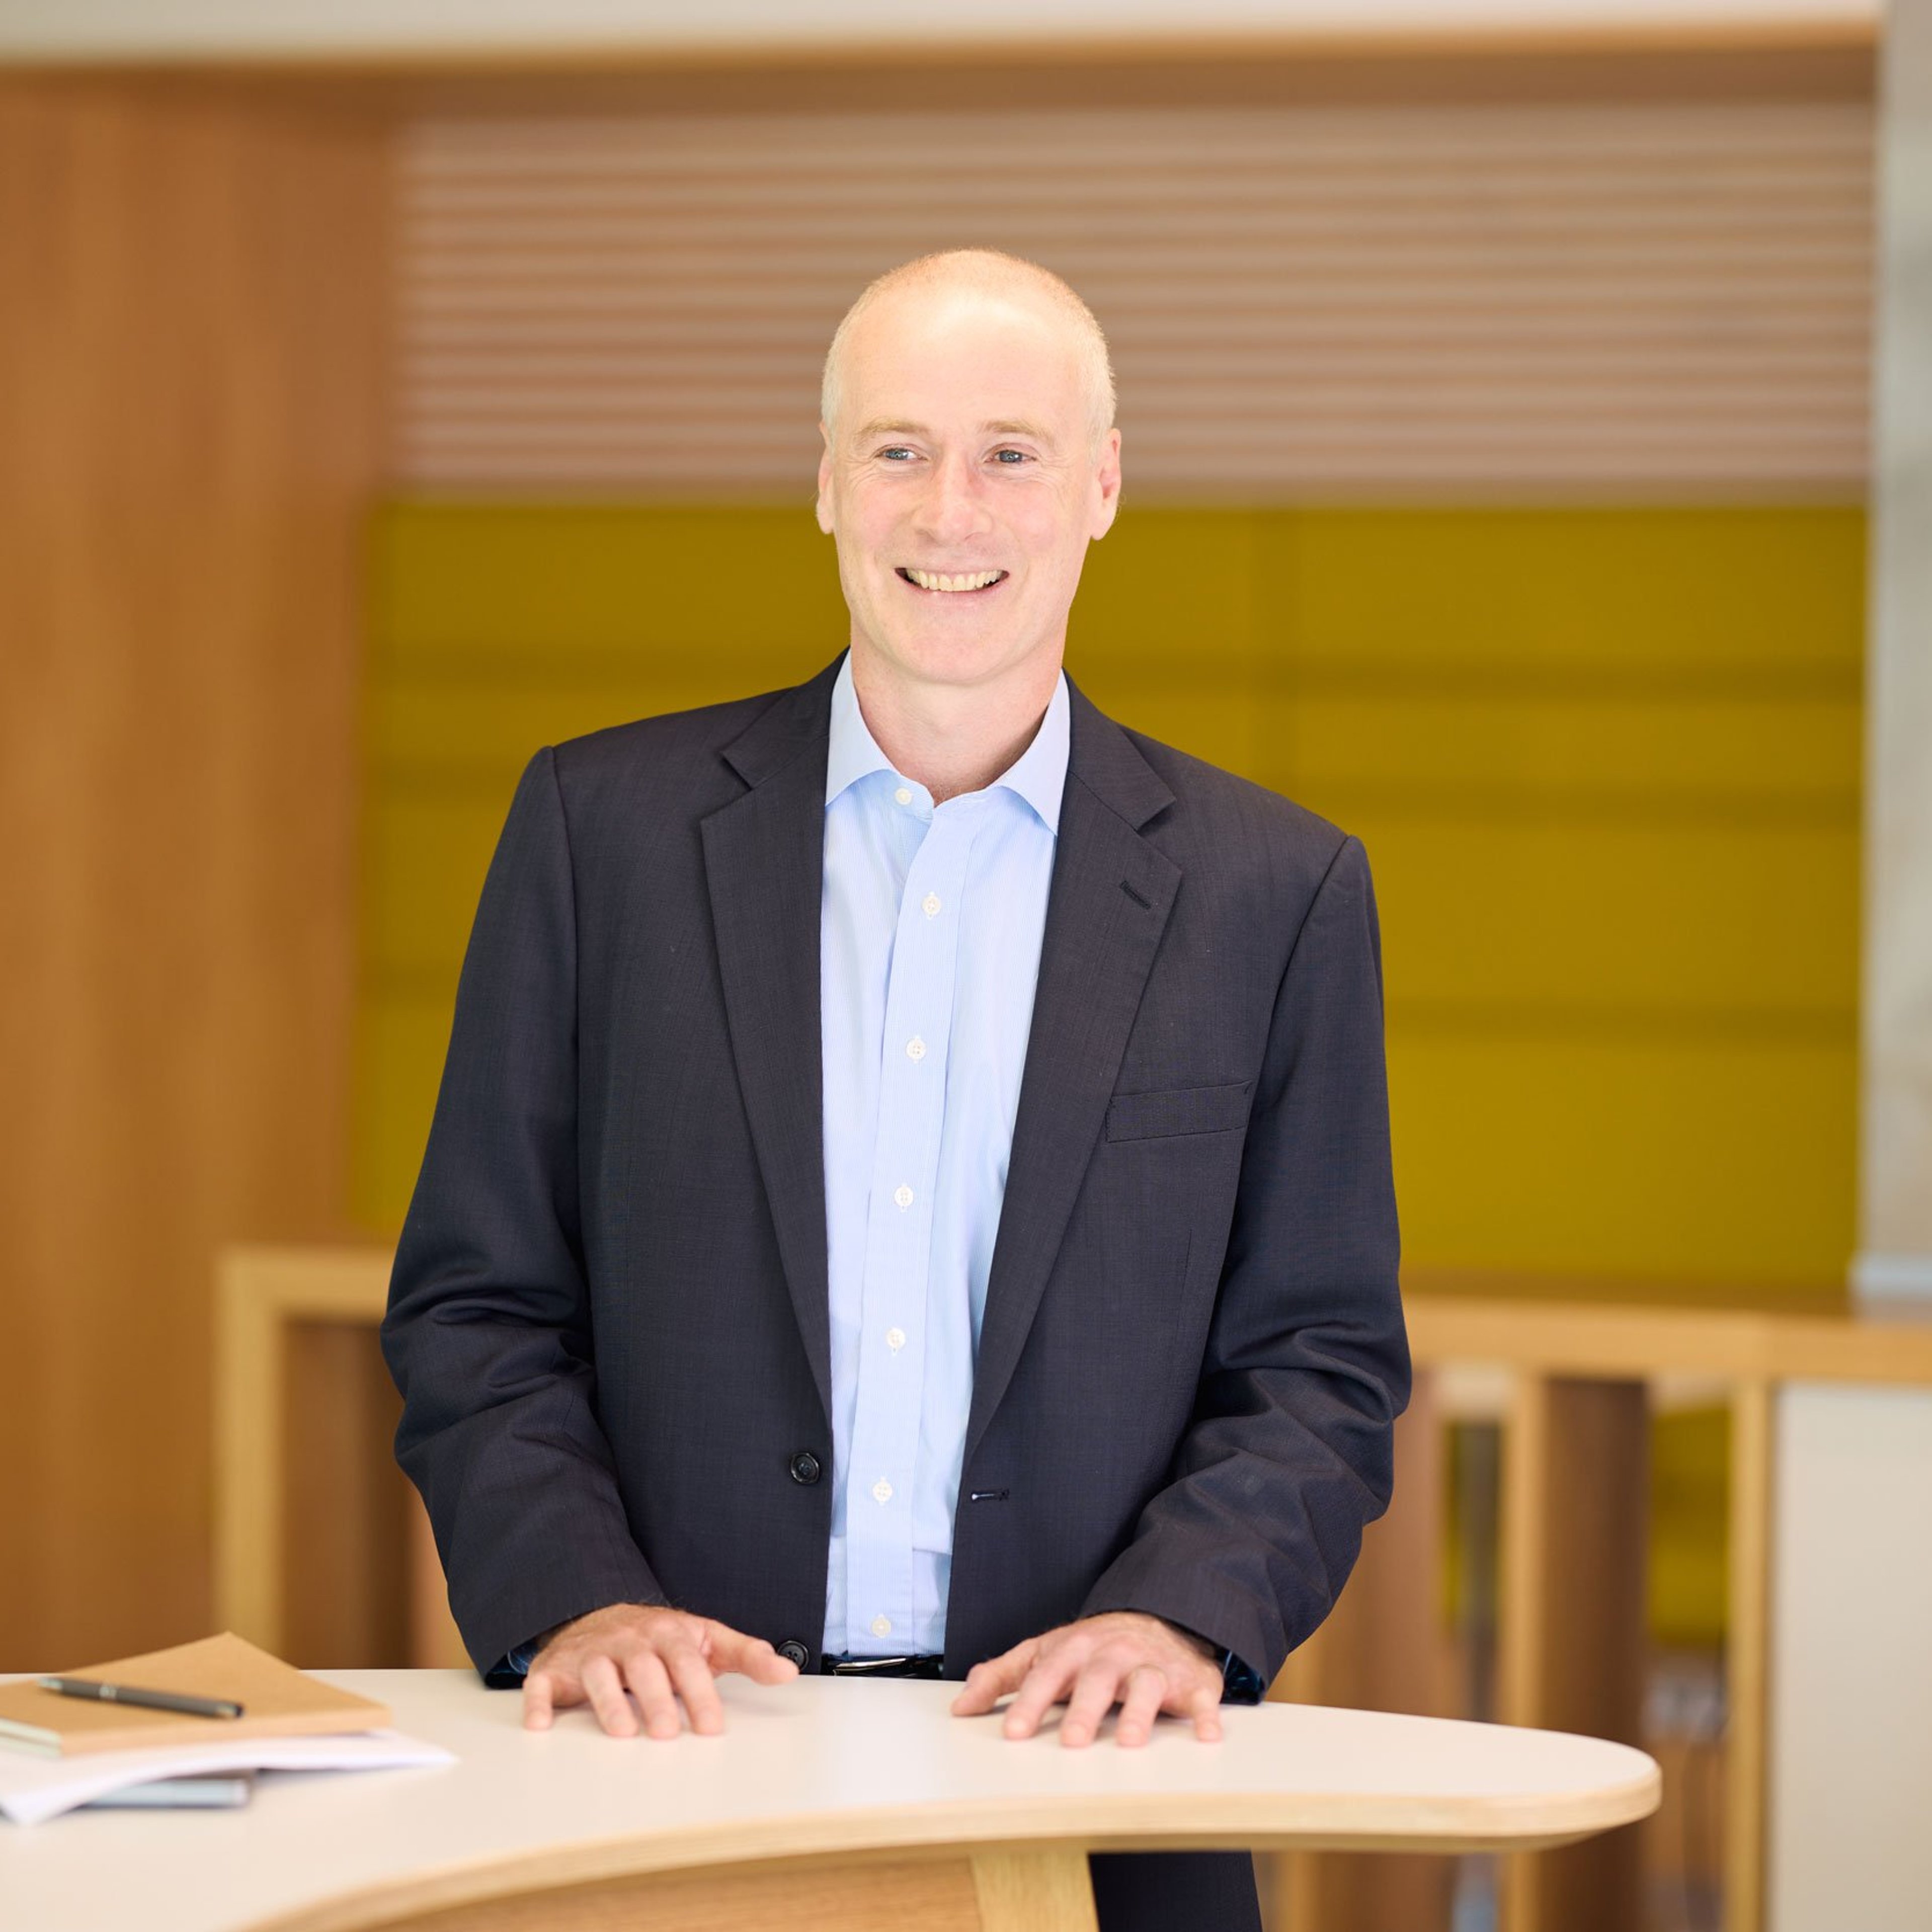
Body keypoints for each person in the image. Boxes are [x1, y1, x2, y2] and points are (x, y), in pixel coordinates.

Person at [381, 248, 1409, 1932]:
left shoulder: (1272, 890)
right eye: (898, 448)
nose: (952, 509)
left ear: (1102, 485)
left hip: (1095, 1783)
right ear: (824, 481)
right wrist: (576, 1602)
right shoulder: (602, 834)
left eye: (1010, 451)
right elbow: (477, 1303)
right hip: (670, 1767)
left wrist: (1180, 1619)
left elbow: (1321, 1355)